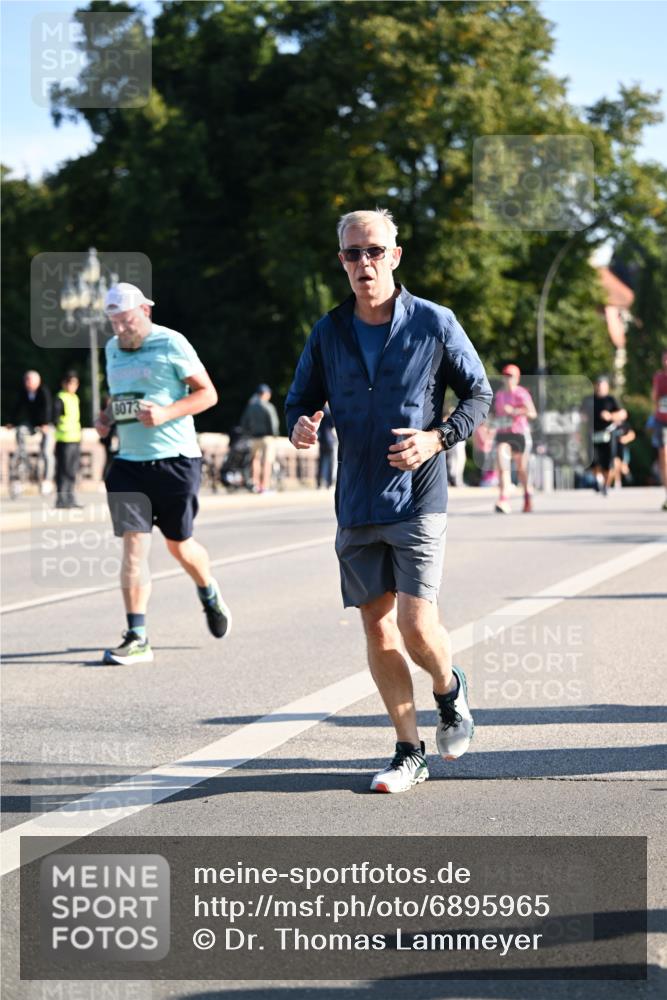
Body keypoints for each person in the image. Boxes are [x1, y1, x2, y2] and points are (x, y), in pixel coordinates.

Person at [286, 208, 492, 794]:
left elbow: (479, 392)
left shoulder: (433, 321)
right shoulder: (329, 332)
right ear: (342, 262)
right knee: (377, 631)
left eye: (374, 251)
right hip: (356, 498)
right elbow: (298, 398)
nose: (363, 263)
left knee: (414, 620)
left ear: (394, 256)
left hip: (419, 495)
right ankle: (408, 750)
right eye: (353, 254)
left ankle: (448, 689)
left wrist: (437, 438)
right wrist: (299, 425)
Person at [95, 282, 231, 665]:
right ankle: (137, 635)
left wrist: (166, 413)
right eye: (114, 323)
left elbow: (208, 394)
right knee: (134, 548)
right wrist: (106, 418)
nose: (120, 331)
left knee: (179, 545)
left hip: (176, 461)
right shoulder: (111, 349)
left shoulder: (172, 343)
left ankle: (207, 589)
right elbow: (119, 392)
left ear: (146, 312)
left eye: (126, 322)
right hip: (128, 466)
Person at [493, 364, 537, 513]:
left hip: (520, 433)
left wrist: (514, 411)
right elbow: (497, 415)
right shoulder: (499, 395)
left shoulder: (521, 393)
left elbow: (532, 413)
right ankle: (504, 498)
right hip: (504, 433)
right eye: (505, 375)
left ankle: (527, 496)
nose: (507, 379)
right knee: (502, 461)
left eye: (510, 376)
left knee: (521, 469)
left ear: (517, 378)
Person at [6, 369, 54, 494]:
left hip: (45, 424)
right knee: (20, 430)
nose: (27, 383)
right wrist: (11, 421)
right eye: (26, 380)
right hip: (32, 424)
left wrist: (45, 423)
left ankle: (47, 480)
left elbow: (48, 407)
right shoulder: (24, 392)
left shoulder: (43, 391)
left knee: (46, 452)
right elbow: (17, 407)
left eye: (30, 380)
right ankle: (21, 452)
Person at [583, 375, 627, 496]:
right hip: (592, 434)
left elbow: (623, 413)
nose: (599, 388)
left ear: (607, 387)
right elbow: (581, 414)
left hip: (607, 434)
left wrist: (611, 416)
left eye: (602, 386)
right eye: (598, 385)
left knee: (608, 462)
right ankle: (599, 480)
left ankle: (606, 485)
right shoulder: (588, 400)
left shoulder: (611, 400)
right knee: (593, 460)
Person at [239, 383, 280, 493]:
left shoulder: (251, 406)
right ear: (266, 394)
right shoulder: (268, 406)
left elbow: (244, 423)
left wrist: (249, 433)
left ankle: (255, 484)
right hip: (267, 438)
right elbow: (273, 423)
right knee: (267, 461)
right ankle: (264, 486)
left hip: (254, 437)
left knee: (255, 460)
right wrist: (275, 435)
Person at [53, 371, 82, 508]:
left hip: (75, 438)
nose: (73, 386)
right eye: (70, 383)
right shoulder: (60, 398)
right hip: (64, 439)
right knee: (63, 470)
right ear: (64, 384)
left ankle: (70, 498)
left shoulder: (75, 398)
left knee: (72, 470)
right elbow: (56, 418)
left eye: (75, 383)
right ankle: (61, 499)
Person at [652, 349, 667, 510]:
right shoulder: (658, 377)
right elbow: (655, 398)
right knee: (663, 458)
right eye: (664, 359)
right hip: (662, 421)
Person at [317, 404, 337, 489]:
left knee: (321, 462)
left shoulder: (318, 412)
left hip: (322, 440)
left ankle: (319, 482)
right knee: (331, 463)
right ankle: (329, 483)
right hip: (330, 440)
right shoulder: (329, 412)